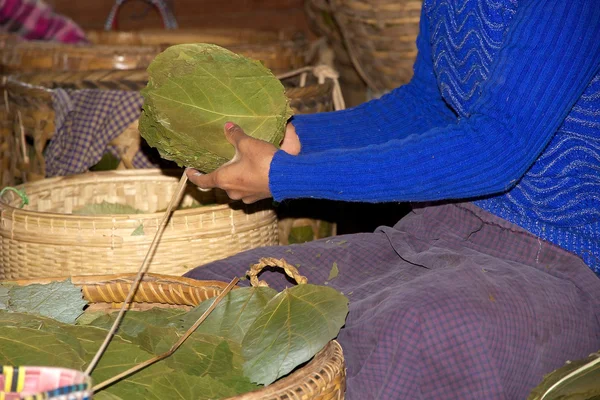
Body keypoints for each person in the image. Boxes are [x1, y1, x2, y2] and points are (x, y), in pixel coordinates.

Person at [184, 0, 600, 398]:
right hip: (445, 228)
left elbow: (499, 144)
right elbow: (427, 106)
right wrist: (293, 142)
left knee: (418, 334)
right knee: (213, 294)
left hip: (565, 262)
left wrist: (287, 175)